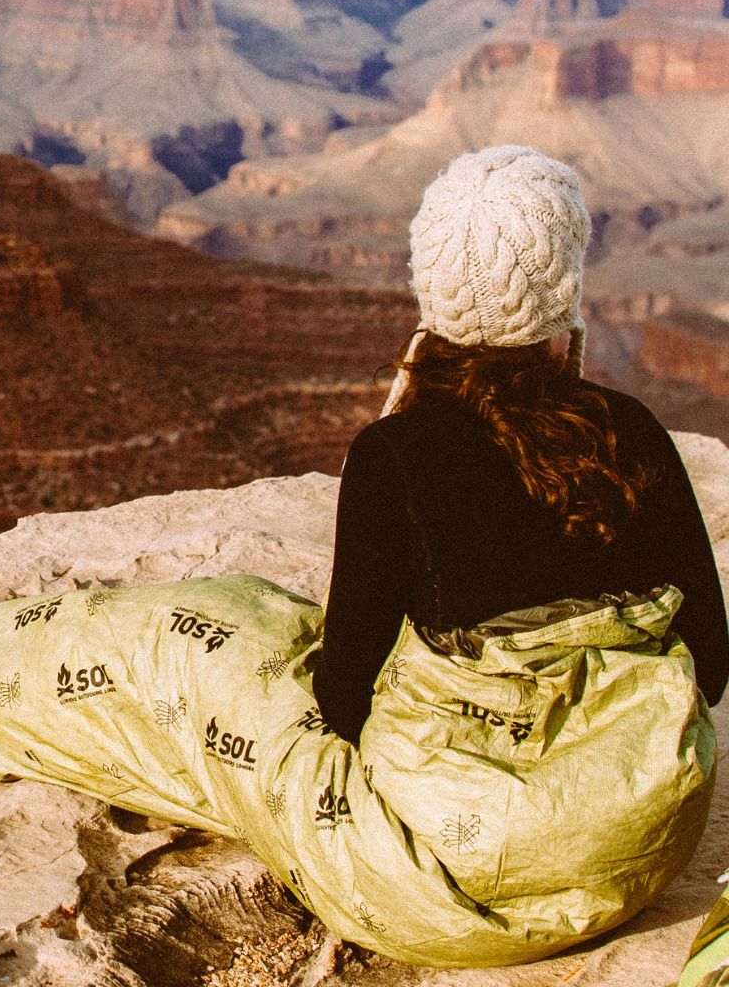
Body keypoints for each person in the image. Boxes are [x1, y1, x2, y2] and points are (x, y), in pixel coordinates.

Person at [312, 144, 729, 746]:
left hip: (468, 806)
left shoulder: (390, 455)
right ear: (563, 289)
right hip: (639, 797)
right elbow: (709, 665)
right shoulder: (627, 428)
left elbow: (345, 700)